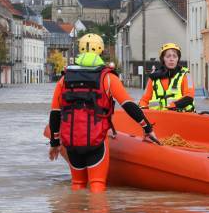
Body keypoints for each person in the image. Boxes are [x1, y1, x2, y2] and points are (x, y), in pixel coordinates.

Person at [48, 33, 160, 192]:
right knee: (97, 185)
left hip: (72, 142)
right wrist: (147, 128)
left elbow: (55, 113)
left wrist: (54, 143)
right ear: (100, 50)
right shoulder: (107, 78)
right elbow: (128, 105)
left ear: (79, 49)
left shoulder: (64, 79)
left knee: (77, 186)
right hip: (97, 141)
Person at [139, 43, 195, 111]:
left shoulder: (187, 75)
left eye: (174, 56)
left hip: (181, 117)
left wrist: (174, 105)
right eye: (168, 56)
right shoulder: (153, 77)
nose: (171, 59)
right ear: (163, 59)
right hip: (157, 118)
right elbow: (144, 100)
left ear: (178, 59)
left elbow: (189, 96)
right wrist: (142, 110)